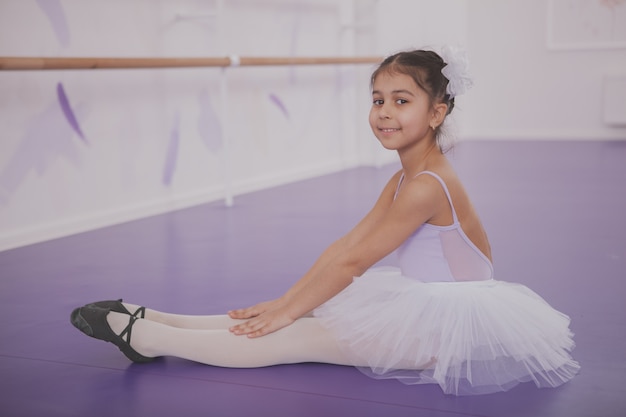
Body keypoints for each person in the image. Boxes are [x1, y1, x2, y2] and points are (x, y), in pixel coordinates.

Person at [70, 47, 579, 395]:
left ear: (437, 114)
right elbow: (346, 243)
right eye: (377, 100)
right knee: (288, 319)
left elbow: (357, 260)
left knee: (293, 337)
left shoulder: (427, 185)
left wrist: (290, 315)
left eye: (402, 101)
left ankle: (147, 337)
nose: (384, 112)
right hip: (423, 304)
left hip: (442, 331)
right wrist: (287, 300)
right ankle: (159, 317)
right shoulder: (405, 176)